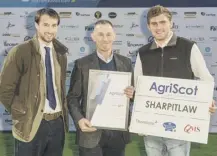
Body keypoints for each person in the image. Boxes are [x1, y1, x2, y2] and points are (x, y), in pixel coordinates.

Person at [134, 5, 216, 156]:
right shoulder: (143, 53)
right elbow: (138, 87)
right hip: (151, 124)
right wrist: (140, 119)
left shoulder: (188, 47)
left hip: (180, 125)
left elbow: (206, 79)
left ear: (171, 23)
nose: (159, 27)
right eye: (154, 24)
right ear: (148, 26)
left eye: (163, 22)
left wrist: (207, 100)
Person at [0, 8, 68, 156]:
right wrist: (22, 112)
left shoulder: (61, 53)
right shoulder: (20, 51)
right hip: (31, 123)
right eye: (46, 25)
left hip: (57, 123)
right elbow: (4, 90)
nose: (50, 30)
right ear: (37, 25)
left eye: (54, 25)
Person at [67, 19, 134, 156]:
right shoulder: (82, 65)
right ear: (93, 37)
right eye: (101, 34)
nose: (105, 39)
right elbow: (72, 98)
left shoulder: (125, 63)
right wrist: (80, 120)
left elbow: (132, 96)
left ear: (114, 36)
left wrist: (132, 94)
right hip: (91, 133)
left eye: (108, 34)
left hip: (117, 134)